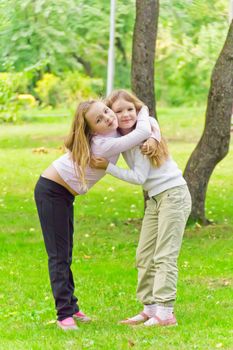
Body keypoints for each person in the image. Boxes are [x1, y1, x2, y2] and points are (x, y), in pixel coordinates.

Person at [34, 99, 158, 330]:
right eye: (99, 120)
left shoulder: (113, 133)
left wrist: (152, 132)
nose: (109, 118)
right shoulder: (104, 144)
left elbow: (149, 127)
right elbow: (143, 128)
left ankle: (72, 307)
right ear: (92, 130)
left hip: (62, 194)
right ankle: (64, 315)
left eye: (106, 111)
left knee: (66, 252)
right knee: (59, 255)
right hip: (51, 191)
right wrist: (141, 108)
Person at [91, 90, 192, 327]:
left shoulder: (143, 135)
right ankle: (150, 308)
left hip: (174, 194)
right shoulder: (126, 134)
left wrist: (107, 167)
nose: (126, 114)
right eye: (118, 111)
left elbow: (138, 177)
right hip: (155, 199)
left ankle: (166, 313)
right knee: (144, 255)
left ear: (137, 110)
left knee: (164, 255)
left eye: (130, 109)